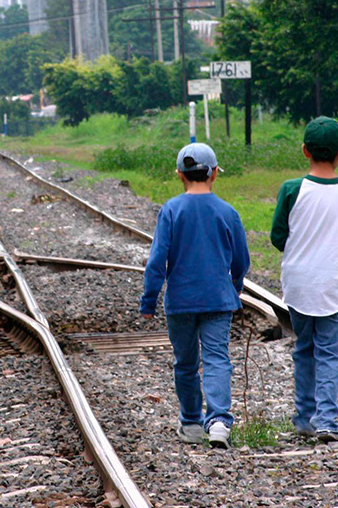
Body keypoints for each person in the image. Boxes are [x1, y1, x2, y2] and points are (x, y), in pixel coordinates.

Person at [140, 143, 251, 448]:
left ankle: (191, 423)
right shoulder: (228, 212)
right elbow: (241, 258)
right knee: (217, 359)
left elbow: (156, 261)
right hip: (218, 300)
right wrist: (236, 284)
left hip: (181, 302)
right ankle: (217, 423)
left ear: (180, 175)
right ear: (215, 174)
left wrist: (148, 301)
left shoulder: (171, 210)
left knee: (186, 362)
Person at [270, 116, 338, 443]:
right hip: (332, 285)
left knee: (304, 348)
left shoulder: (292, 189)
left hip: (298, 285)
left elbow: (279, 236)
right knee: (330, 354)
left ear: (304, 150)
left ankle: (304, 417)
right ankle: (327, 422)